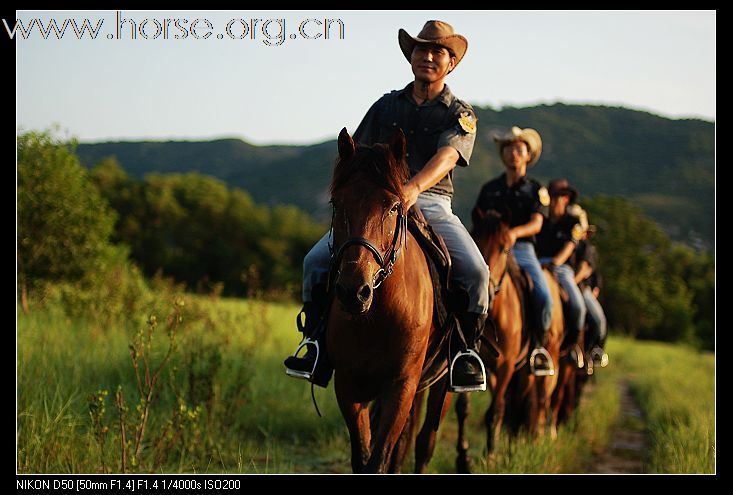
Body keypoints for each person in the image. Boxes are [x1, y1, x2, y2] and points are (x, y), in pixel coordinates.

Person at [285, 20, 493, 392]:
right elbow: (358, 154)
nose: (427, 56)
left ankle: (465, 353)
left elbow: (448, 156)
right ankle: (315, 344)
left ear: (450, 64)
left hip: (430, 200)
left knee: (476, 272)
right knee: (315, 262)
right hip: (379, 203)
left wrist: (412, 188)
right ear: (411, 57)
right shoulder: (385, 106)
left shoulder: (460, 113)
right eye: (421, 49)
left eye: (437, 52)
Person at [474, 126, 556, 375]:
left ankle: (538, 348)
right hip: (490, 247)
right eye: (508, 149)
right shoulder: (490, 188)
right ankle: (461, 346)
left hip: (522, 248)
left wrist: (514, 233)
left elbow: (537, 223)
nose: (513, 154)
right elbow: (477, 219)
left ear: (528, 155)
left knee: (543, 295)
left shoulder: (535, 190)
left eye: (518, 149)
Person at [535, 179, 587, 361]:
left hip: (561, 268)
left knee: (578, 306)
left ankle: (571, 348)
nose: (557, 199)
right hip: (538, 263)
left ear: (567, 199)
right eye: (554, 195)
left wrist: (555, 262)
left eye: (562, 196)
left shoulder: (573, 223)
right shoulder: (541, 220)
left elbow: (569, 247)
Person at [572, 217, 609, 367]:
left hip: (582, 288)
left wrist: (595, 288)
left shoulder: (587, 249)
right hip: (570, 282)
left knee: (599, 319)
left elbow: (590, 272)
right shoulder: (566, 243)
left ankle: (594, 350)